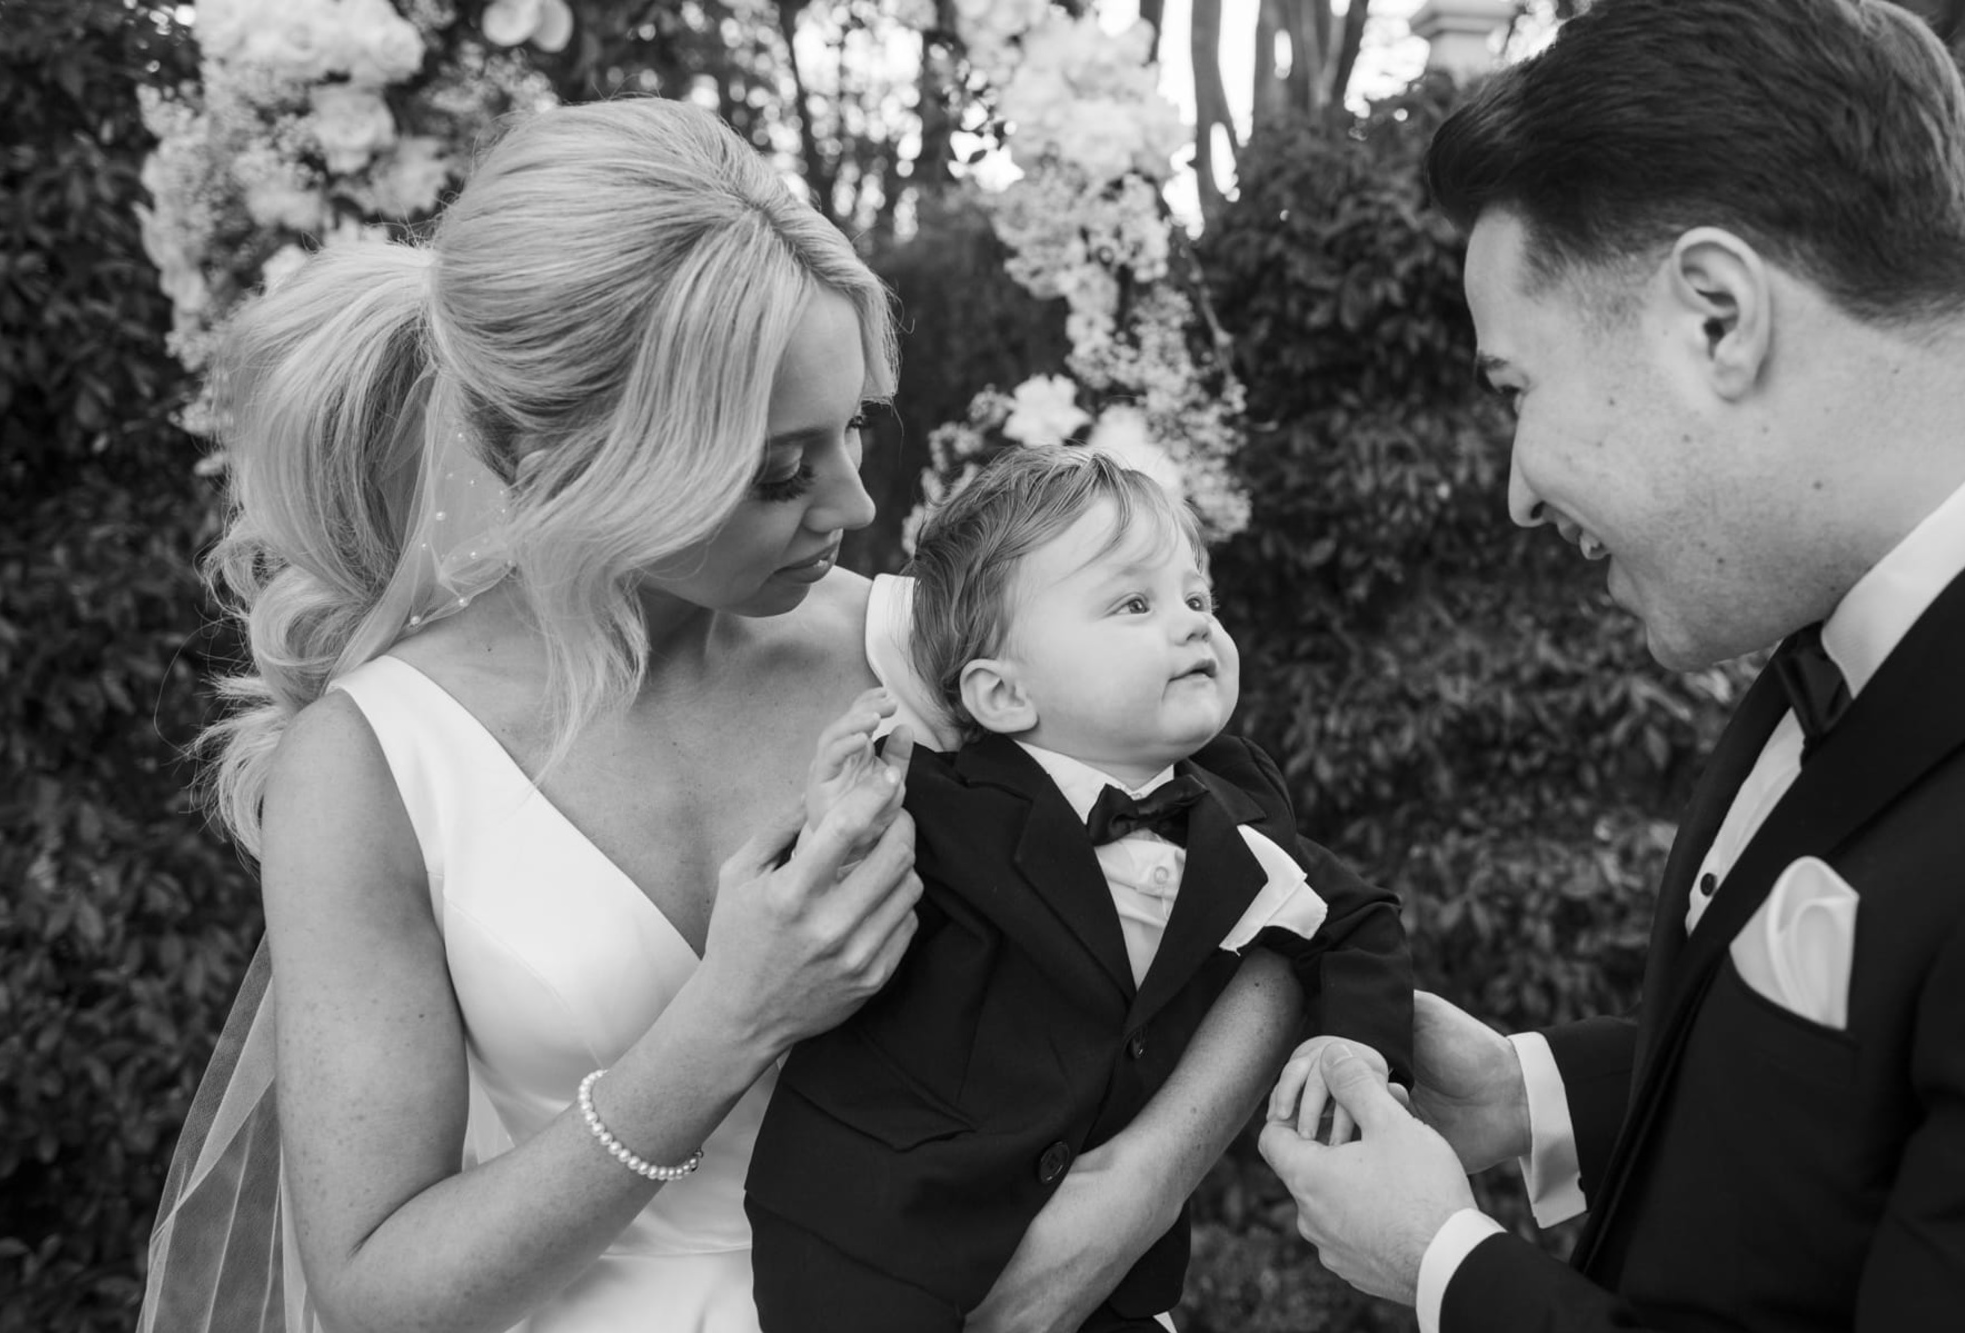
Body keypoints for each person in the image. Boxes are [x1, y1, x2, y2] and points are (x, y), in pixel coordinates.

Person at [138, 98, 1308, 1333]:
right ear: (582, 462)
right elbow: (374, 1289)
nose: (855, 504)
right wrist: (728, 1023)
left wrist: (1125, 1194)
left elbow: (1280, 911)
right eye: (776, 471)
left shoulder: (942, 655)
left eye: (852, 427)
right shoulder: (373, 767)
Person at [1255, 1, 1965, 1329]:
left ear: (1715, 317)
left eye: (1516, 387)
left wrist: (1449, 1270)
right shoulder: (1841, 625)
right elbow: (1853, 1080)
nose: (1520, 492)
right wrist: (1522, 1095)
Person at [744, 446, 1415, 1332]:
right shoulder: (942, 802)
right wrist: (837, 826)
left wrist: (1362, 1051)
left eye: (1197, 596)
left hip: (1106, 1282)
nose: (1191, 625)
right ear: (1003, 693)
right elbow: (808, 931)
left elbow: (1356, 917)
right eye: (1135, 603)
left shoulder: (1237, 804)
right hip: (874, 1242)